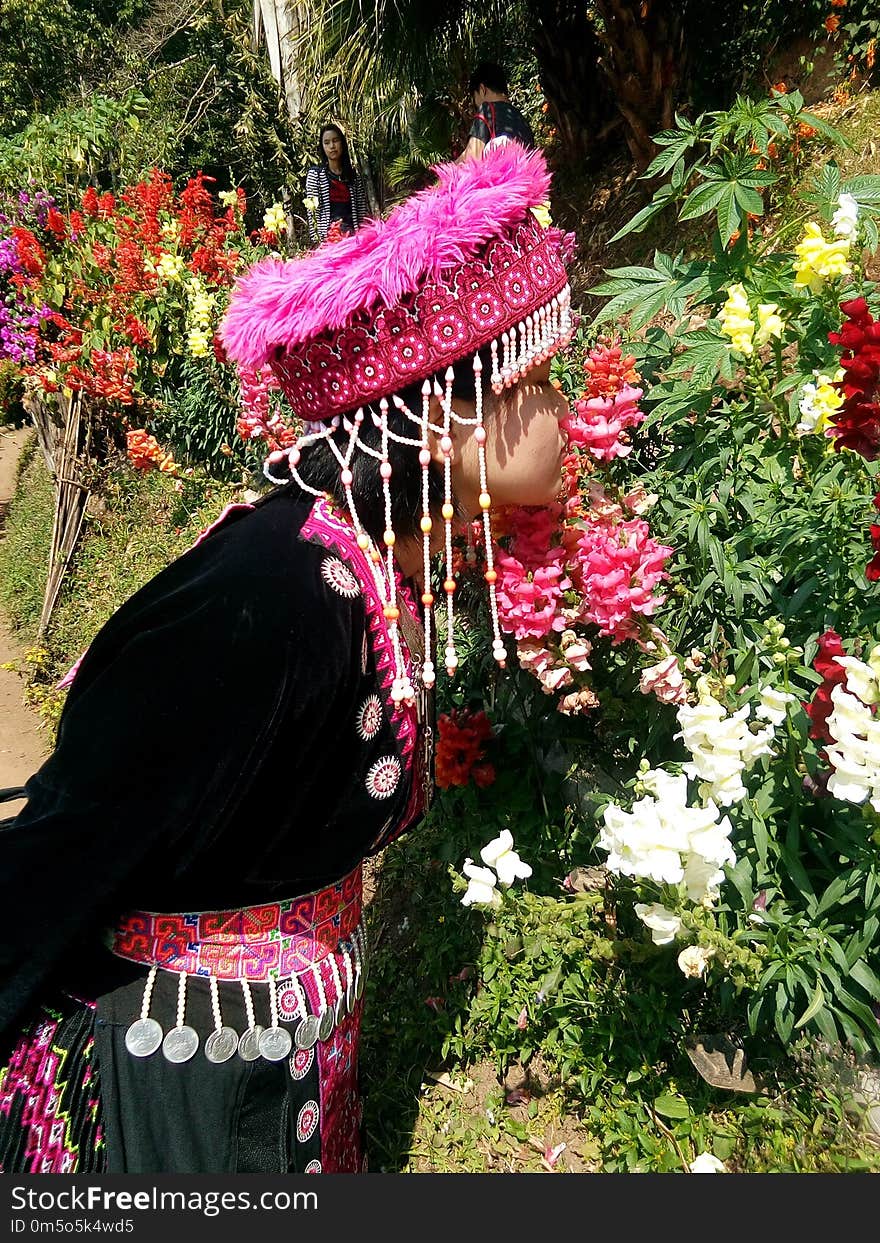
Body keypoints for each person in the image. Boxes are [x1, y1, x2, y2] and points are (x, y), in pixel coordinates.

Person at [0, 143, 574, 1174]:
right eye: (536, 376)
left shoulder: (375, 564)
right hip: (174, 1089)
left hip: (281, 1057)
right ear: (444, 420)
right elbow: (72, 837)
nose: (564, 406)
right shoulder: (266, 604)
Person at [304, 124, 369, 244]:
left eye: (335, 141)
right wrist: (317, 241)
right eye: (327, 143)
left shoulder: (353, 176)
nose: (332, 146)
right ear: (322, 147)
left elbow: (361, 211)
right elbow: (312, 212)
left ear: (342, 143)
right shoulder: (316, 175)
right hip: (329, 238)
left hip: (352, 236)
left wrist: (363, 235)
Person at [459, 61, 535, 162]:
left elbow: (471, 157)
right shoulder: (523, 121)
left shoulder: (487, 109)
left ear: (482, 89)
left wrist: (443, 173)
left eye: (475, 98)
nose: (476, 106)